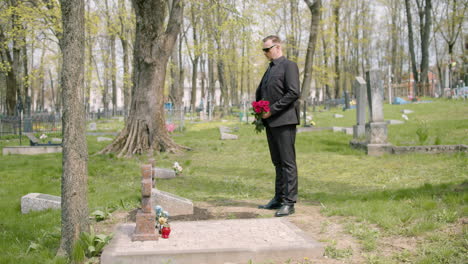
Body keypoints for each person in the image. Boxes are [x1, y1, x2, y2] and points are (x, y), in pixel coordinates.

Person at [255, 35, 300, 217]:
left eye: (267, 49)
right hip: (270, 122)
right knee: (277, 162)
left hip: (284, 120)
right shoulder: (270, 69)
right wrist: (259, 111)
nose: (265, 53)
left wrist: (272, 110)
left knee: (287, 162)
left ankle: (289, 202)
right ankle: (279, 198)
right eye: (263, 50)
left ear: (278, 47)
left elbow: (293, 92)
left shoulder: (288, 66)